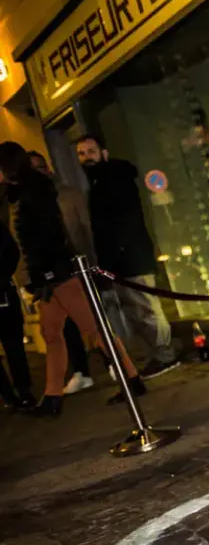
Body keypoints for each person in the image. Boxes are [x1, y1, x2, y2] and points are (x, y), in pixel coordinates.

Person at [0, 141, 143, 417]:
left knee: (94, 329)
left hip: (58, 274)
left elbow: (49, 234)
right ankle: (53, 397)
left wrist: (47, 272)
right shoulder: (19, 192)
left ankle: (132, 378)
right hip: (48, 277)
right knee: (52, 334)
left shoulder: (36, 190)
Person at [75, 135, 183, 372]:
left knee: (145, 309)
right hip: (121, 260)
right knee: (137, 311)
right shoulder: (98, 182)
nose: (86, 158)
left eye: (91, 152)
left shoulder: (114, 179)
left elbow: (125, 221)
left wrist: (116, 255)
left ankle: (166, 355)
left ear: (104, 153)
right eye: (81, 153)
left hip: (131, 258)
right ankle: (159, 354)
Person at [29, 151, 97, 394]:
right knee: (59, 331)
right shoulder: (28, 200)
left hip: (76, 270)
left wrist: (92, 265)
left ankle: (123, 370)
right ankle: (76, 375)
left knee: (93, 324)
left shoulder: (68, 195)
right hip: (53, 276)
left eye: (40, 167)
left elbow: (87, 231)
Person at [0, 205, 36, 411]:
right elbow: (11, 252)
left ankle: (16, 394)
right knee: (14, 346)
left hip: (3, 292)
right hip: (4, 291)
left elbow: (11, 252)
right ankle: (18, 393)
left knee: (14, 345)